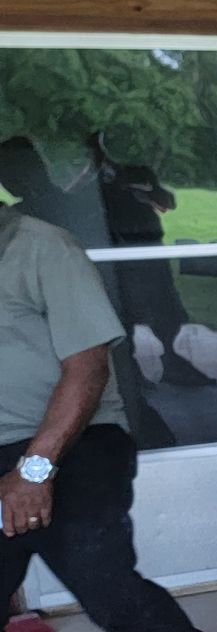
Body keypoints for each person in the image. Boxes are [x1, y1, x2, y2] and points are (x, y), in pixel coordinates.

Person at [0, 203, 217, 632]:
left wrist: (34, 470)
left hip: (74, 437)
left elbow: (88, 369)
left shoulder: (42, 248)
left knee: (100, 578)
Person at [0, 136, 176, 450]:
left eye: (20, 168)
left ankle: (155, 427)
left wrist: (133, 188)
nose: (14, 178)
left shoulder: (55, 219)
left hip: (127, 271)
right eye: (9, 172)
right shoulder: (24, 212)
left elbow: (165, 203)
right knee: (124, 356)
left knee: (115, 359)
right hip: (99, 286)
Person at [87, 132, 217, 388]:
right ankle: (132, 371)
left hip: (149, 248)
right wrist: (114, 188)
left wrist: (148, 191)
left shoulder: (139, 172)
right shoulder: (93, 180)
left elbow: (167, 202)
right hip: (119, 254)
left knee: (165, 307)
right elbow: (88, 207)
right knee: (125, 311)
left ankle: (173, 360)